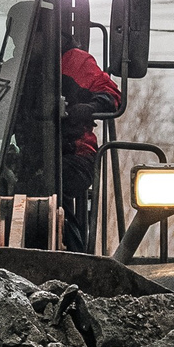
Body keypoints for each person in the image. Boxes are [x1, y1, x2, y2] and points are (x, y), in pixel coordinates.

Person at [58, 45, 125, 251]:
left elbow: (111, 96)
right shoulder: (13, 67)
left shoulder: (74, 62)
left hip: (75, 155)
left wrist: (91, 107)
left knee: (48, 183)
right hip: (25, 158)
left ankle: (74, 254)